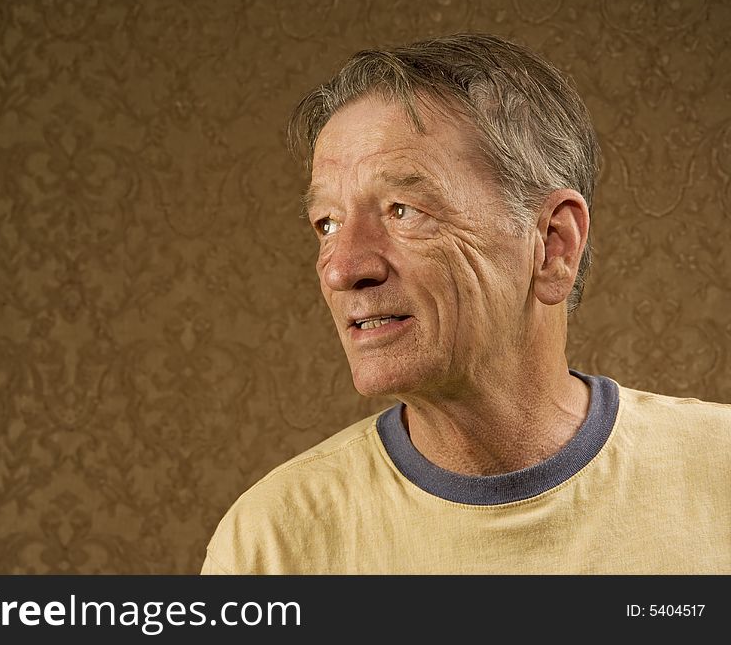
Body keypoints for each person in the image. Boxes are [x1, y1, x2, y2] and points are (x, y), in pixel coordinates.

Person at [201, 33, 731, 574]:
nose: (341, 268)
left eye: (403, 209)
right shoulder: (270, 543)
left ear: (552, 245)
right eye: (328, 223)